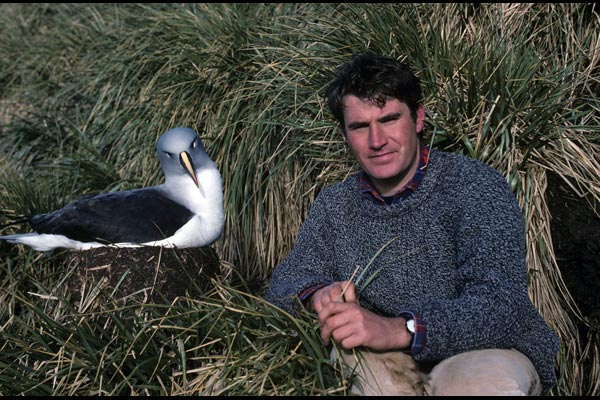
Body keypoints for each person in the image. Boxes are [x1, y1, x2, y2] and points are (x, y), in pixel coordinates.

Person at [265, 54, 559, 395]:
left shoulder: (474, 186)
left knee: (481, 384)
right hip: (385, 358)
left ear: (417, 118)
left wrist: (400, 328)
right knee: (351, 360)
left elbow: (500, 307)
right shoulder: (335, 205)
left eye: (389, 120)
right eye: (360, 126)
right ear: (344, 134)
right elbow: (284, 284)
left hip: (483, 352)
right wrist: (318, 295)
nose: (377, 141)